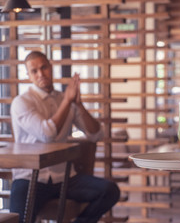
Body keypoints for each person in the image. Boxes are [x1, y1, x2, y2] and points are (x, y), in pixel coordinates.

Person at [10, 51, 120, 223]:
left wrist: (79, 104)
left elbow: (95, 135)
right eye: (34, 71)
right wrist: (67, 102)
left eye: (44, 67)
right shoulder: (22, 102)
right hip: (29, 179)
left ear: (51, 67)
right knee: (18, 220)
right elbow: (47, 134)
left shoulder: (64, 98)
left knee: (110, 191)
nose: (41, 74)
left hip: (64, 177)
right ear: (28, 75)